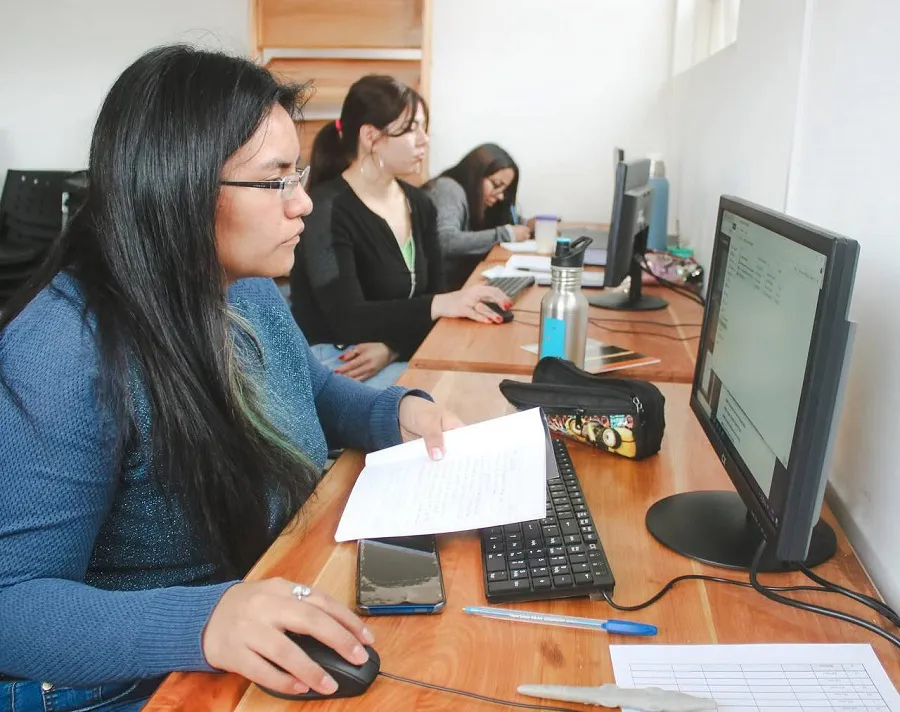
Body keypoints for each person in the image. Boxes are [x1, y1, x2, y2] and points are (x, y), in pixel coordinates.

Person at [0, 46, 462, 711]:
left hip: (263, 597)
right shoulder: (64, 347)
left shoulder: (247, 287)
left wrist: (395, 415)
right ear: (179, 186)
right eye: (277, 180)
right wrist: (204, 622)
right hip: (139, 674)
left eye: (298, 174)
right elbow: (13, 602)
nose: (303, 202)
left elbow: (316, 392)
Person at [289, 76, 511, 388]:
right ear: (371, 136)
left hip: (394, 352)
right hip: (340, 362)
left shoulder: (420, 203)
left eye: (424, 128)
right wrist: (440, 305)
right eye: (411, 129)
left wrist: (393, 347)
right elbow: (346, 318)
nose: (424, 140)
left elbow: (429, 296)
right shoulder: (325, 210)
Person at [425, 143, 531, 290]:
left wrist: (528, 224)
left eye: (504, 190)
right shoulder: (448, 189)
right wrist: (505, 234)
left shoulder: (479, 200)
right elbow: (445, 240)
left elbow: (503, 220)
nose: (500, 196)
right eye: (496, 184)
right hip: (442, 290)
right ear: (475, 174)